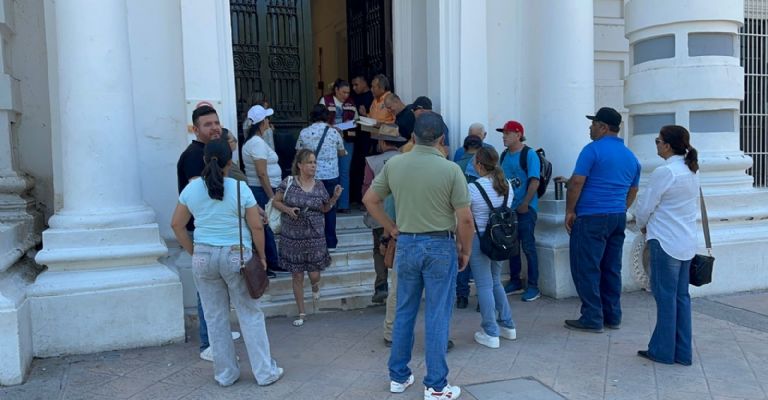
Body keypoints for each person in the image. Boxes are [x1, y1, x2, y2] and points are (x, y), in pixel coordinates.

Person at [363, 112, 473, 400]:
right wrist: (466, 250)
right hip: (440, 244)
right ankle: (436, 385)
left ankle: (398, 376)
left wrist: (391, 227)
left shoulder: (396, 164)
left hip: (408, 243)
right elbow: (465, 220)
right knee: (437, 315)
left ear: (412, 137)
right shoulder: (451, 170)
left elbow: (370, 200)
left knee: (404, 311)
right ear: (441, 140)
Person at [171, 138, 283, 387]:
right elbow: (256, 225)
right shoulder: (240, 188)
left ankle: (225, 374)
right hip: (236, 254)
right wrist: (262, 257)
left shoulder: (191, 189)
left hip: (203, 256)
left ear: (204, 160)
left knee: (215, 317)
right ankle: (265, 373)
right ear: (229, 162)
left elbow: (177, 225)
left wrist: (193, 251)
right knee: (250, 314)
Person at [564, 107, 641, 333]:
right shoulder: (631, 156)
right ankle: (612, 315)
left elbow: (577, 182)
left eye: (594, 123)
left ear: (603, 127)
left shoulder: (592, 150)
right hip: (617, 217)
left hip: (591, 217)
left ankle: (592, 317)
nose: (590, 127)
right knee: (611, 268)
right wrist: (620, 208)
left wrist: (570, 211)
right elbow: (634, 189)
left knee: (586, 267)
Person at [634, 125, 699, 365]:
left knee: (665, 298)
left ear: (668, 145)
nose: (657, 144)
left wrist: (641, 224)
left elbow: (646, 205)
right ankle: (682, 352)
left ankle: (662, 351)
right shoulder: (691, 169)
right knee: (681, 297)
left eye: (658, 141)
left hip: (664, 240)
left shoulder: (666, 172)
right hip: (685, 241)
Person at [176, 105, 234, 361]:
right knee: (206, 295)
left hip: (215, 239)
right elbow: (200, 203)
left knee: (215, 292)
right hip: (203, 237)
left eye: (216, 123)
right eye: (208, 124)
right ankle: (208, 344)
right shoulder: (192, 156)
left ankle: (218, 334)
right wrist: (192, 249)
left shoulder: (213, 152)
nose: (214, 128)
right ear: (196, 129)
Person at [271, 149, 343, 327]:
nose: (313, 165)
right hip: (292, 236)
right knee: (296, 274)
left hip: (315, 235)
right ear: (300, 165)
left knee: (314, 273)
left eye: (315, 162)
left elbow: (325, 208)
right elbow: (275, 201)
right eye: (310, 162)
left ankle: (315, 285)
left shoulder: (319, 185)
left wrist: (334, 197)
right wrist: (288, 210)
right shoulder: (288, 182)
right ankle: (301, 312)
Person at [468, 147, 518, 348]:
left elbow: (466, 214)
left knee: (484, 285)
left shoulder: (473, 188)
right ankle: (508, 324)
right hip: (500, 239)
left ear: (479, 164)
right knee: (495, 281)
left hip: (479, 238)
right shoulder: (507, 186)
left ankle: (490, 331)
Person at [361, 124, 406, 305]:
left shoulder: (372, 162)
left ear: (381, 142)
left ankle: (381, 286)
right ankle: (400, 288)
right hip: (403, 212)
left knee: (379, 250)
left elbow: (366, 187)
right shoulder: (406, 160)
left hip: (379, 213)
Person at [498, 120, 541, 302]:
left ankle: (533, 286)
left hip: (526, 209)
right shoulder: (504, 156)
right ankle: (515, 281)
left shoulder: (529, 154)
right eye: (503, 134)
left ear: (518, 134)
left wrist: (525, 203)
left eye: (507, 133)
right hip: (509, 209)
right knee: (511, 246)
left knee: (528, 247)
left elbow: (534, 181)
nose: (504, 137)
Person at [295, 104, 347, 249]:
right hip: (331, 175)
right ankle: (331, 241)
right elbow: (342, 153)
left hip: (311, 176)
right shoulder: (333, 132)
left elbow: (298, 153)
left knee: (310, 208)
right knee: (330, 206)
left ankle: (312, 239)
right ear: (326, 117)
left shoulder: (304, 132)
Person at [241, 104, 281, 277]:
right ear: (262, 122)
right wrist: (272, 197)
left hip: (262, 188)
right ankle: (269, 263)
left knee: (267, 226)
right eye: (267, 119)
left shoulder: (255, 141)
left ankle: (273, 261)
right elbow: (261, 173)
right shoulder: (257, 143)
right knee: (265, 226)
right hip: (262, 189)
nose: (268, 122)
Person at [454, 134, 483, 309]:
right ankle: (482, 299)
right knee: (480, 260)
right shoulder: (484, 167)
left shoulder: (456, 167)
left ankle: (462, 296)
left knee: (462, 253)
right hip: (480, 218)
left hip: (460, 216)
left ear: (464, 148)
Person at [320, 79, 358, 213]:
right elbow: (321, 119)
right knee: (329, 171)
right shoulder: (325, 100)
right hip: (329, 141)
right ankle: (329, 204)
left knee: (344, 172)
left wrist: (349, 125)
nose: (346, 95)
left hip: (346, 141)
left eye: (348, 92)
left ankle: (343, 204)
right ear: (336, 90)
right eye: (343, 92)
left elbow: (356, 121)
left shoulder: (351, 103)